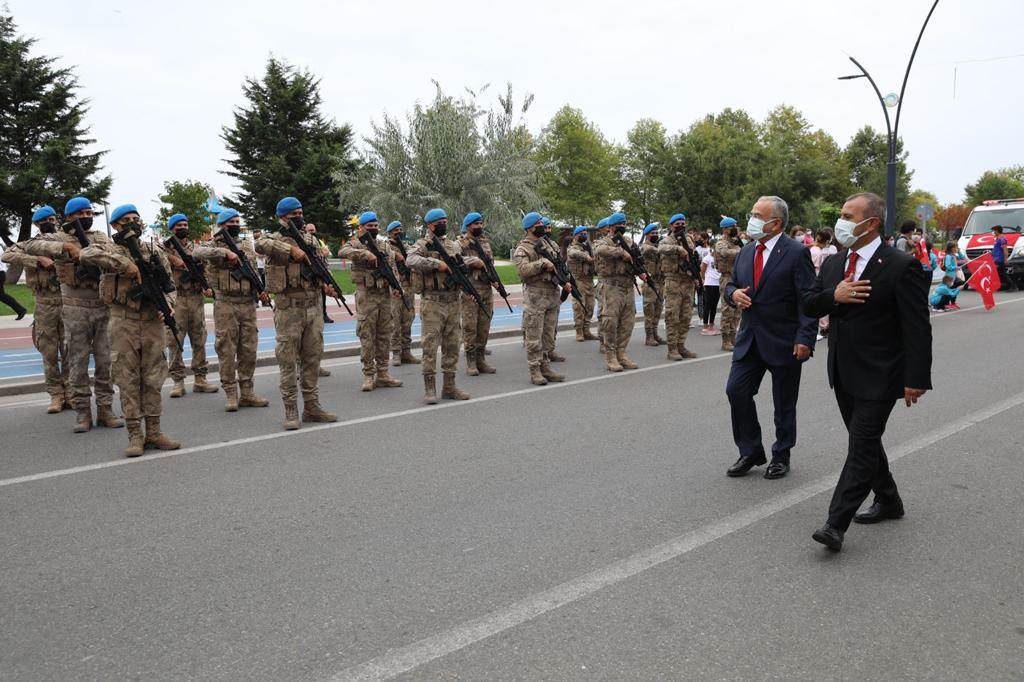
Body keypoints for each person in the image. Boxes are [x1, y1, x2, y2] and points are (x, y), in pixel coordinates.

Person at [802, 192, 932, 552]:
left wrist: (916, 378)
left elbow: (917, 327)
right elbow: (809, 303)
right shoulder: (833, 263)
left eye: (848, 215)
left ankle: (835, 524)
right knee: (867, 443)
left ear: (871, 223)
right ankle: (889, 500)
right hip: (843, 371)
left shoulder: (900, 265)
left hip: (882, 372)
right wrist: (835, 296)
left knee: (859, 446)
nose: (840, 220)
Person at [723, 195, 817, 480]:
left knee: (783, 402)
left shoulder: (796, 252)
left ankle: (781, 455)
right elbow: (731, 283)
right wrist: (733, 294)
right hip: (750, 338)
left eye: (756, 215)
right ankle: (750, 450)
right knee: (736, 391)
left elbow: (807, 300)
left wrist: (805, 338)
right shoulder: (746, 251)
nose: (750, 219)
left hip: (784, 340)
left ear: (775, 223)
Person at [79, 204, 180, 457]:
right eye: (127, 220)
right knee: (127, 379)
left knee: (154, 378)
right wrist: (125, 264)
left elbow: (170, 286)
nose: (133, 223)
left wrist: (168, 307)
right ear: (115, 226)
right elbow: (86, 255)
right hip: (123, 320)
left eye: (136, 218)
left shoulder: (154, 250)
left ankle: (154, 432)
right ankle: (135, 434)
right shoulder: (108, 248)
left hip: (152, 322)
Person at [23, 196, 123, 433]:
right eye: (81, 214)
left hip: (102, 306)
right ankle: (82, 413)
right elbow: (32, 247)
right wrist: (65, 248)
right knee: (77, 362)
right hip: (75, 307)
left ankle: (106, 409)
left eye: (89, 213)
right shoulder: (58, 237)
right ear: (69, 217)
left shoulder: (99, 236)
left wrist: (90, 253)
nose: (86, 217)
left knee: (105, 361)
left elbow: (113, 253)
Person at [256, 197, 336, 429]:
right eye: (294, 214)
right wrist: (291, 250)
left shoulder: (311, 240)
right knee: (288, 361)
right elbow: (260, 245)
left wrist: (326, 285)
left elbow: (321, 268)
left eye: (301, 212)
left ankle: (312, 407)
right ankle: (291, 411)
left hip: (313, 307)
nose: (299, 217)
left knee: (312, 359)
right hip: (288, 309)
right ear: (283, 217)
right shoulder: (274, 239)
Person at [194, 210, 270, 412]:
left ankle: (247, 392)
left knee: (249, 349)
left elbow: (252, 270)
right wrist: (224, 252)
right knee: (226, 349)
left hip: (247, 303)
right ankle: (230, 392)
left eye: (238, 221)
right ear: (222, 225)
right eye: (231, 222)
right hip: (226, 303)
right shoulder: (213, 244)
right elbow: (197, 252)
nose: (236, 224)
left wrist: (260, 291)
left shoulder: (245, 245)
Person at [1, 206, 69, 412]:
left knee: (69, 351)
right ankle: (56, 396)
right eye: (44, 220)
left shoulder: (65, 241)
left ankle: (71, 392)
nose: (49, 222)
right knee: (49, 352)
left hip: (67, 301)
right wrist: (36, 260)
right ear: (37, 224)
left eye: (52, 218)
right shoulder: (29, 245)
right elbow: (8, 255)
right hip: (45, 303)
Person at [406, 208, 471, 403]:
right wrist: (436, 264)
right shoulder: (422, 244)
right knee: (430, 345)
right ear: (430, 225)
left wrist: (470, 262)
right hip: (433, 302)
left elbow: (460, 263)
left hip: (453, 300)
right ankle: (430, 389)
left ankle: (449, 387)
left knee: (452, 345)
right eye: (440, 222)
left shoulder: (453, 245)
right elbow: (411, 260)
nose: (443, 224)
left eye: (445, 220)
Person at [339, 211, 403, 391]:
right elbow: (342, 251)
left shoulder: (383, 245)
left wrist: (397, 287)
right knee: (367, 336)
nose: (373, 229)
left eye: (376, 226)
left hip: (384, 295)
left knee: (384, 335)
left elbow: (392, 267)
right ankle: (369, 375)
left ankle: (383, 373)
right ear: (361, 227)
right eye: (370, 226)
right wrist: (364, 254)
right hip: (366, 295)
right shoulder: (355, 243)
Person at [162, 214, 218, 398]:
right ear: (172, 229)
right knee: (175, 340)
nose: (183, 227)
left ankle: (200, 379)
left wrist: (206, 285)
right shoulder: (164, 249)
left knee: (199, 338)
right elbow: (159, 260)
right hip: (176, 299)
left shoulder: (196, 248)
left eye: (185, 224)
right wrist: (175, 260)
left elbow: (206, 268)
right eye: (179, 225)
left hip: (195, 298)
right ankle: (178, 381)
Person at [514, 212, 568, 385]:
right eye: (539, 224)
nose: (543, 227)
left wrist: (565, 281)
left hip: (552, 294)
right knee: (534, 335)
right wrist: (542, 263)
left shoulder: (548, 245)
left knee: (547, 335)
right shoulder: (523, 248)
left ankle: (545, 367)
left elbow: (558, 265)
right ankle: (535, 370)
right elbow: (522, 271)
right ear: (530, 227)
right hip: (536, 295)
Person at [595, 212, 640, 372]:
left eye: (625, 223)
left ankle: (622, 354)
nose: (624, 226)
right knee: (610, 322)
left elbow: (636, 257)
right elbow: (600, 251)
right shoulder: (602, 241)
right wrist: (621, 252)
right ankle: (611, 357)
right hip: (611, 287)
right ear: (612, 226)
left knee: (628, 322)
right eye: (621, 223)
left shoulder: (628, 241)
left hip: (627, 286)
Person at [456, 212, 497, 376]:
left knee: (484, 326)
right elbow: (455, 260)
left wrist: (494, 279)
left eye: (480, 223)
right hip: (470, 290)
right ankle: (471, 362)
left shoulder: (485, 243)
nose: (479, 226)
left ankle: (481, 360)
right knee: (470, 326)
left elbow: (490, 264)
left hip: (486, 289)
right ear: (468, 226)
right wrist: (474, 261)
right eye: (475, 224)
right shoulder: (459, 243)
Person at [658, 213, 699, 360]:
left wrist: (696, 276)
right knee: (672, 316)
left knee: (686, 316)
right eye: (677, 224)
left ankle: (681, 345)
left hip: (688, 282)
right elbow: (660, 248)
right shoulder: (666, 240)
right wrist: (678, 249)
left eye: (683, 223)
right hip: (673, 282)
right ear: (671, 226)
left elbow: (693, 259)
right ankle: (672, 349)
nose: (681, 226)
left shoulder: (688, 239)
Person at [386, 220, 419, 366]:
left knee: (408, 319)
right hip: (395, 288)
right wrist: (394, 254)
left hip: (409, 286)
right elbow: (383, 255)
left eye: (400, 229)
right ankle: (396, 353)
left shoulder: (406, 246)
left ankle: (407, 351)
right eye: (396, 230)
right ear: (390, 233)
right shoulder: (386, 246)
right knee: (395, 321)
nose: (399, 232)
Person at [714, 217, 743, 352]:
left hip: (738, 278)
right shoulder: (721, 243)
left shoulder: (737, 242)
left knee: (737, 310)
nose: (735, 229)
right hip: (727, 278)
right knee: (727, 310)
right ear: (725, 229)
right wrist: (742, 251)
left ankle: (733, 337)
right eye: (733, 226)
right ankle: (725, 341)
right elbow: (725, 253)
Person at [566, 225, 599, 342]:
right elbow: (573, 253)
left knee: (590, 306)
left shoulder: (587, 247)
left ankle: (587, 330)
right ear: (576, 235)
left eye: (586, 233)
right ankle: (579, 331)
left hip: (589, 280)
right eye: (582, 234)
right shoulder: (573, 247)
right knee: (579, 306)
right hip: (578, 280)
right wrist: (587, 257)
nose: (584, 235)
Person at [640, 223, 666, 346]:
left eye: (657, 233)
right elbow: (647, 249)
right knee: (649, 312)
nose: (655, 235)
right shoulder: (645, 247)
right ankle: (649, 336)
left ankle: (655, 334)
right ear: (647, 235)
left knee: (658, 310)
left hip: (661, 282)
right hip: (650, 283)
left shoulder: (659, 247)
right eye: (653, 233)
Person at [809, 230, 838, 338]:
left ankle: (823, 326)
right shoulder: (817, 252)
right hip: (817, 276)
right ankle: (824, 326)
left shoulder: (813, 250)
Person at [700, 245, 721, 335]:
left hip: (718, 283)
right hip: (709, 283)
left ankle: (711, 325)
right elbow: (702, 271)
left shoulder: (719, 259)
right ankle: (705, 326)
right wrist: (703, 280)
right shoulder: (707, 258)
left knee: (714, 305)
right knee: (708, 304)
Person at [990, 225, 1017, 291]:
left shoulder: (1002, 239)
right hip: (996, 259)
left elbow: (1005, 249)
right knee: (1001, 273)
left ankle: (1013, 287)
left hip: (1000, 259)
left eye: (994, 230)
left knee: (999, 273)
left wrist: (1006, 259)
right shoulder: (997, 239)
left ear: (997, 231)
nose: (993, 232)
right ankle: (1012, 286)